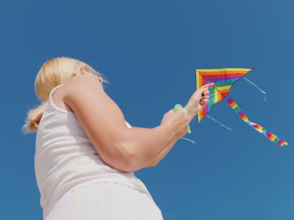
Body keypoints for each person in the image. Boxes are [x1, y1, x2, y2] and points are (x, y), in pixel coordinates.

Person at [24, 57, 213, 220]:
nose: (98, 79)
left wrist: (184, 117)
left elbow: (148, 157)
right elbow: (126, 151)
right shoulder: (81, 81)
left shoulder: (52, 126)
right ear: (83, 70)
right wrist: (170, 129)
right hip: (106, 202)